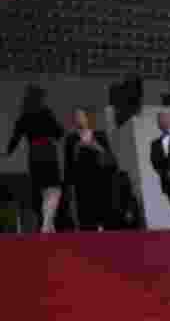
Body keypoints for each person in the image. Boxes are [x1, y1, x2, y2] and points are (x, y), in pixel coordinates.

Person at [5, 85, 65, 233]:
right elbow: (59, 133)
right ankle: (47, 224)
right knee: (53, 189)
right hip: (48, 151)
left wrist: (7, 153)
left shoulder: (24, 116)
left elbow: (15, 138)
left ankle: (48, 225)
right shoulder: (46, 113)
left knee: (42, 190)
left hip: (34, 154)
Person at [65, 107, 117, 231]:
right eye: (75, 117)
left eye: (80, 116)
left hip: (101, 182)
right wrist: (69, 187)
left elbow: (111, 160)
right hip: (81, 185)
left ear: (87, 118)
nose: (78, 119)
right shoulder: (71, 139)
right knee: (86, 220)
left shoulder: (100, 135)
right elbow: (68, 166)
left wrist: (95, 146)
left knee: (104, 217)